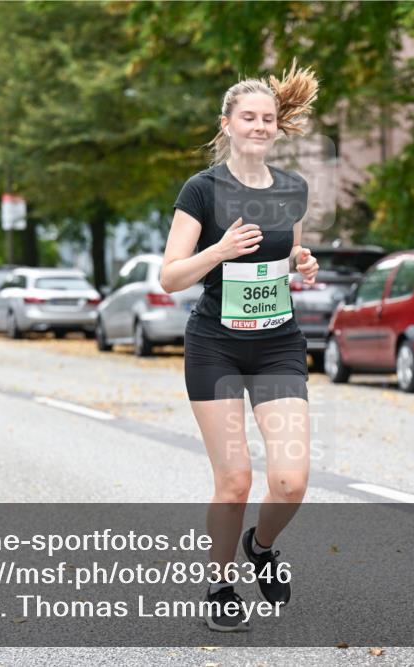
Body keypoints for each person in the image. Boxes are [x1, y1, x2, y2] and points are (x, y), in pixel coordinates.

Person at [160, 60, 320, 632]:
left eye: (267, 118)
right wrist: (219, 250)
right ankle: (221, 583)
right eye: (247, 117)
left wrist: (303, 265)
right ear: (226, 124)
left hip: (278, 344)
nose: (258, 125)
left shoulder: (293, 189)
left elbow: (289, 259)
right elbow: (171, 276)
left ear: (277, 127)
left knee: (291, 481)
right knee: (235, 480)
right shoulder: (201, 191)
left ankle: (262, 543)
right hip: (216, 349)